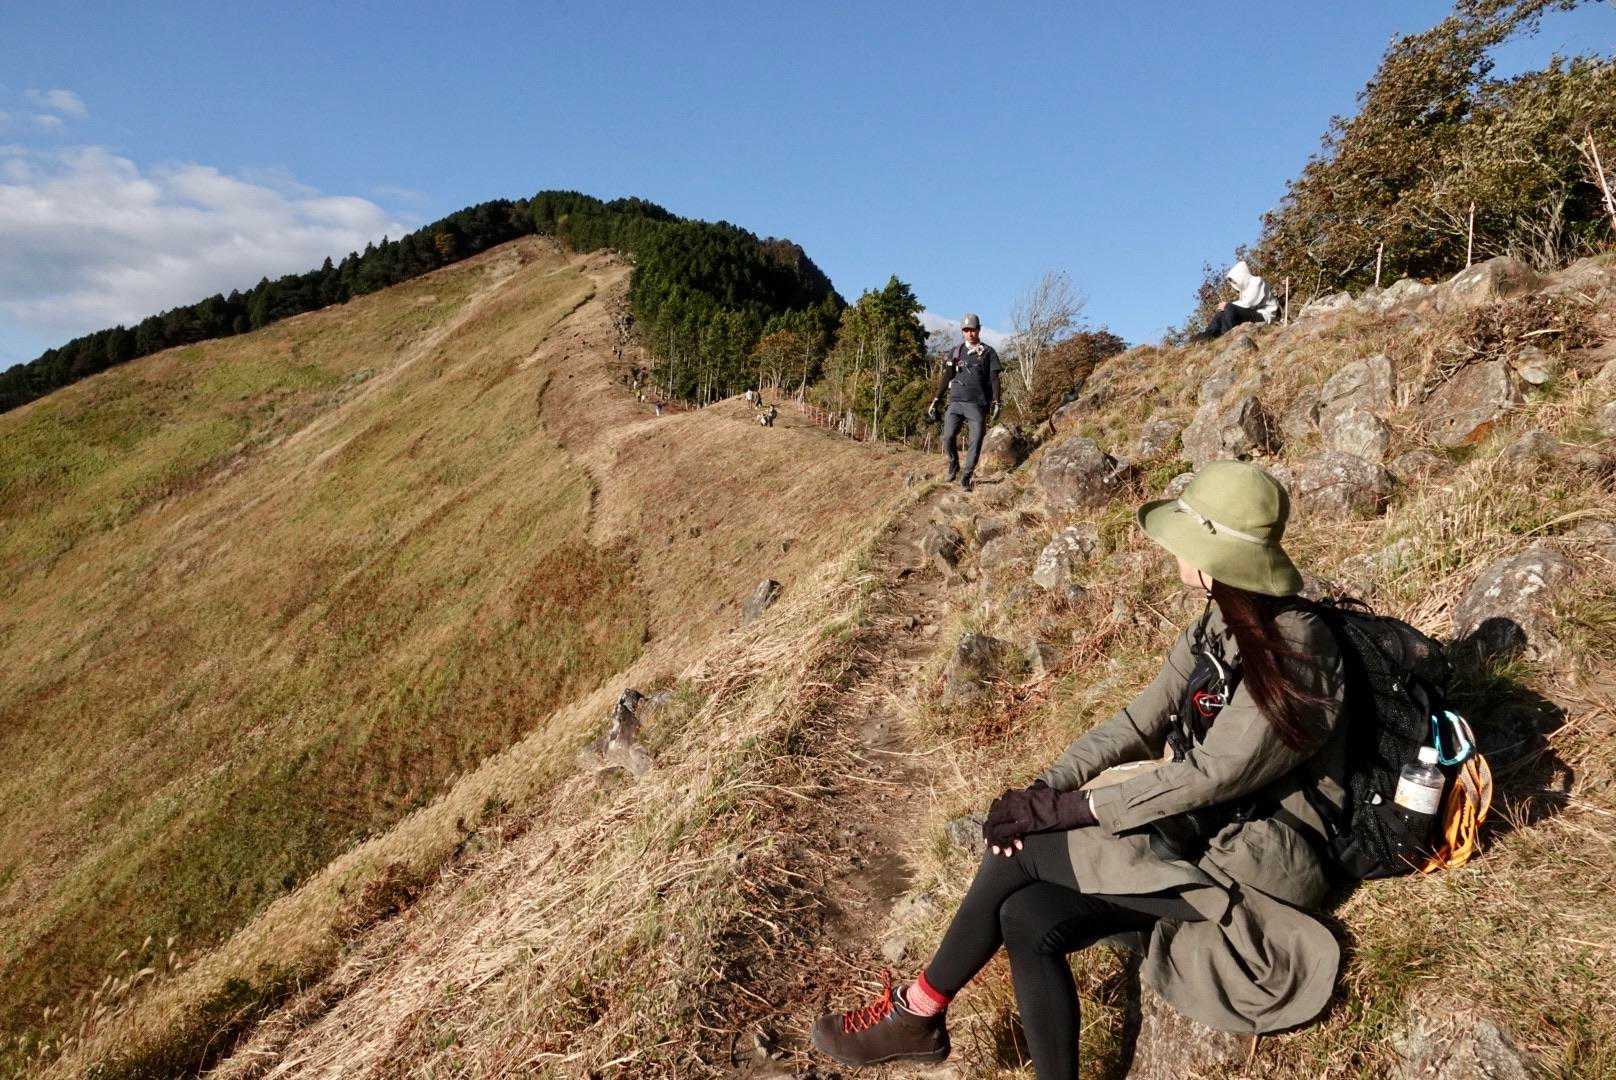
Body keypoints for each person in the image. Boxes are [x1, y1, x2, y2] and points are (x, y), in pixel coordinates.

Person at [810, 461, 1349, 1078]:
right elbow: (1139, 721)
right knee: (1026, 918)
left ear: (1213, 556)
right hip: (1204, 834)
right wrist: (1046, 789)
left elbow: (1211, 774)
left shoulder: (1297, 651)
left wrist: (1065, 811)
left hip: (1257, 865)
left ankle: (919, 1011)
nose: (1172, 550)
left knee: (1028, 849)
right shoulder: (1220, 622)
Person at [926, 314, 1001, 491]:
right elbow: (947, 376)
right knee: (947, 437)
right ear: (963, 332)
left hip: (977, 404)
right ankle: (953, 464)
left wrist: (997, 401)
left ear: (979, 330)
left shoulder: (988, 352)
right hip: (955, 402)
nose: (970, 333)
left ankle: (966, 476)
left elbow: (994, 379)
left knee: (976, 440)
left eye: (972, 330)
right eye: (966, 330)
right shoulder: (956, 351)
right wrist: (936, 399)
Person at [1192, 260, 1280, 342]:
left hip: (1265, 316)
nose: (1235, 283)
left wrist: (1227, 305)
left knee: (1229, 308)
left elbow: (1248, 303)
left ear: (1241, 276)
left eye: (1235, 280)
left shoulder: (1257, 282)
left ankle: (1227, 336)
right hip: (1255, 313)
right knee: (1221, 313)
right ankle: (1208, 334)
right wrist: (1226, 307)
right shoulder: (1244, 290)